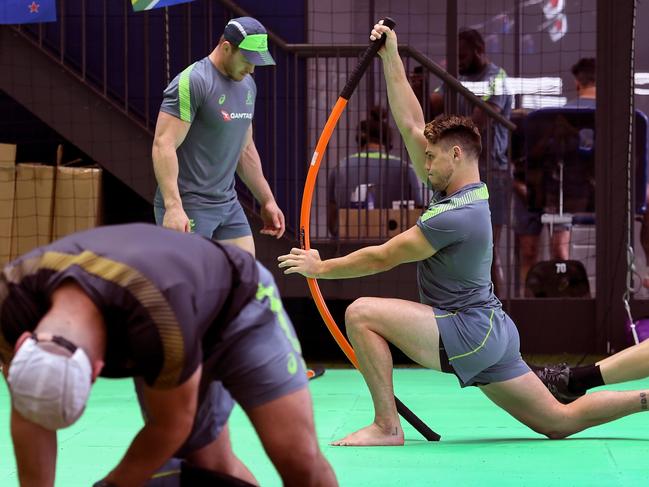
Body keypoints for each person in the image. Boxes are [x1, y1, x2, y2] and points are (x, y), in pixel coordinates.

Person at [277, 22, 649, 447]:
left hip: (468, 330)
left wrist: (319, 267)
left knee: (361, 312)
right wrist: (390, 57)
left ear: (455, 154)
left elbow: (383, 257)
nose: (424, 163)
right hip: (490, 330)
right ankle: (645, 399)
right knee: (557, 422)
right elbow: (412, 124)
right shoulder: (468, 190)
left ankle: (386, 426)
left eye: (431, 158)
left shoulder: (456, 215)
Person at [0, 224, 337, 487]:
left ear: (96, 371)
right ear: (21, 346)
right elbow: (30, 409)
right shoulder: (10, 303)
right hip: (163, 308)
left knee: (299, 461)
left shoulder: (157, 320)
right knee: (207, 464)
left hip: (238, 303)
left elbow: (171, 424)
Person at [152, 16, 285, 256]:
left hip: (227, 203)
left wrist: (267, 200)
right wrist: (173, 207)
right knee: (192, 288)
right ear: (226, 48)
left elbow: (244, 149)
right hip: (189, 204)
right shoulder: (192, 81)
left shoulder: (247, 85)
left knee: (245, 283)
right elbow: (164, 144)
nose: (252, 69)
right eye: (247, 60)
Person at [429, 28, 513, 296]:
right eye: (456, 57)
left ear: (480, 51)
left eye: (464, 56)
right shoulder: (455, 76)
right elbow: (435, 102)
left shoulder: (496, 77)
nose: (460, 62)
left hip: (493, 169)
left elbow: (477, 121)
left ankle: (497, 306)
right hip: (462, 172)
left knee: (491, 248)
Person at [327, 106, 423, 237]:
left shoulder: (341, 167)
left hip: (348, 241)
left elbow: (332, 218)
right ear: (388, 142)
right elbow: (418, 211)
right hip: (394, 244)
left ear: (359, 139)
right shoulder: (405, 168)